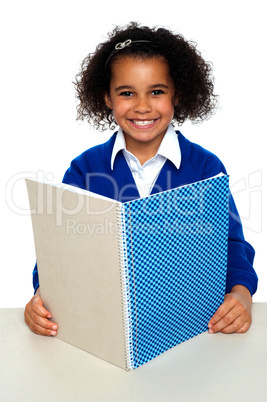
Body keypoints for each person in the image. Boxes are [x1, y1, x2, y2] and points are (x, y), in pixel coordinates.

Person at [24, 21, 258, 337]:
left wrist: (241, 295)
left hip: (192, 330)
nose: (143, 106)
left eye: (157, 92)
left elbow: (231, 244)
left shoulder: (205, 167)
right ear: (107, 98)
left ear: (177, 94)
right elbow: (59, 254)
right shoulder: (84, 170)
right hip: (106, 331)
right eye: (127, 93)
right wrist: (42, 298)